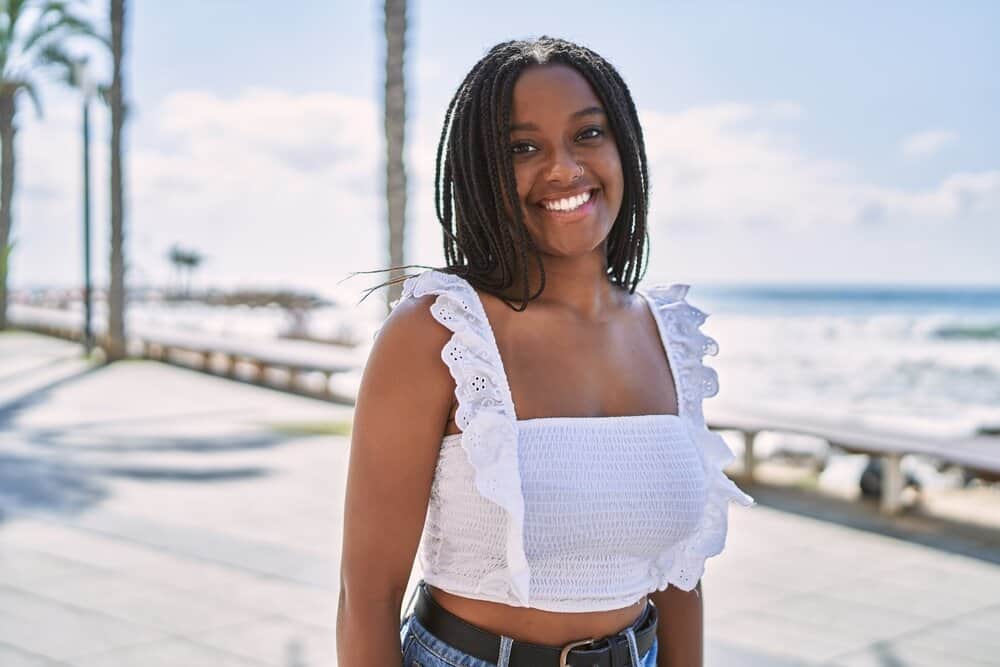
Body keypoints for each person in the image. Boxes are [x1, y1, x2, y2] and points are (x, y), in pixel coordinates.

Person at [337, 36, 755, 667]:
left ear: (625, 150)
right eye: (523, 148)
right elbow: (365, 597)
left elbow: (680, 574)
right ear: (483, 171)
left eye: (588, 135)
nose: (563, 168)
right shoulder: (441, 332)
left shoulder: (668, 334)